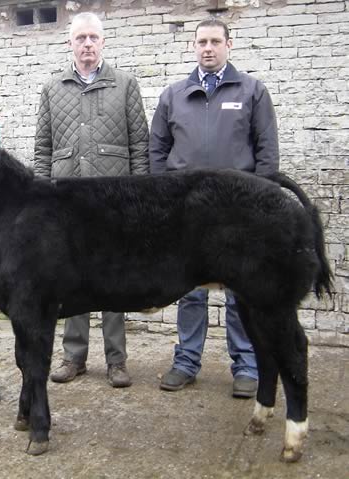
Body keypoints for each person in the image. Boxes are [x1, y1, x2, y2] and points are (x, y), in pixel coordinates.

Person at [149, 18, 279, 398]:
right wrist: (163, 193)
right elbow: (157, 148)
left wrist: (262, 200)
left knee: (241, 290)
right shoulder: (174, 95)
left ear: (229, 44)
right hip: (187, 212)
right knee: (190, 290)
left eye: (215, 41)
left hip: (237, 210)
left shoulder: (252, 91)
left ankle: (246, 366)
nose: (208, 48)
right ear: (193, 46)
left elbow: (267, 151)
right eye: (202, 42)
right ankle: (186, 361)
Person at [34, 12, 149, 388]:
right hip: (68, 203)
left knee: (114, 279)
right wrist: (41, 199)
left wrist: (139, 199)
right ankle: (73, 357)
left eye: (93, 38)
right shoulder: (53, 88)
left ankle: (116, 361)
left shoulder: (125, 84)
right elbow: (43, 149)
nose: (87, 44)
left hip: (113, 201)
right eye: (80, 37)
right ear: (70, 43)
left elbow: (140, 146)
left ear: (103, 42)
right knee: (71, 281)